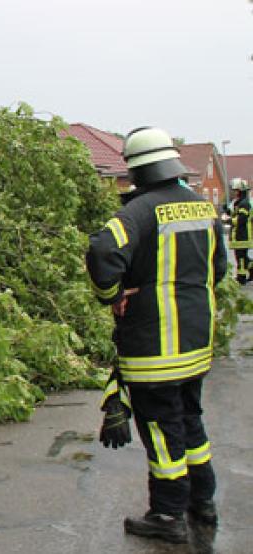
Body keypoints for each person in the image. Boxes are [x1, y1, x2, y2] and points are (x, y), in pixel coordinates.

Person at [86, 127, 228, 544]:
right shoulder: (204, 208)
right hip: (197, 344)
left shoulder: (141, 211)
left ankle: (167, 516)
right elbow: (218, 270)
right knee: (189, 421)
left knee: (163, 430)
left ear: (137, 168)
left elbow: (101, 250)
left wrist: (113, 294)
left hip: (155, 349)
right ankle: (202, 502)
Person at [225, 178, 251, 284]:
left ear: (240, 191)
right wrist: (227, 211)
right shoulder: (238, 203)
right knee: (242, 257)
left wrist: (229, 220)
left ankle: (241, 278)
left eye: (236, 190)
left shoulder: (245, 204)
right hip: (238, 236)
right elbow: (233, 213)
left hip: (242, 236)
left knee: (240, 257)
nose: (234, 192)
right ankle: (250, 271)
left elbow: (241, 219)